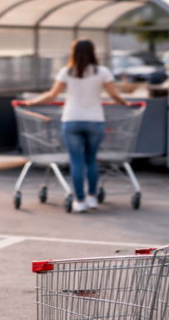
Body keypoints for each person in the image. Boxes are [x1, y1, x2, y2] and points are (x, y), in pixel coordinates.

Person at [25, 39, 128, 213]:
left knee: (76, 161)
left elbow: (52, 95)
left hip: (71, 119)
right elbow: (114, 94)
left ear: (73, 53)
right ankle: (92, 198)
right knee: (91, 160)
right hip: (95, 120)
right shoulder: (102, 72)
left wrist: (31, 102)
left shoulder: (66, 72)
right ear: (93, 52)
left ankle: (79, 201)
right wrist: (125, 103)